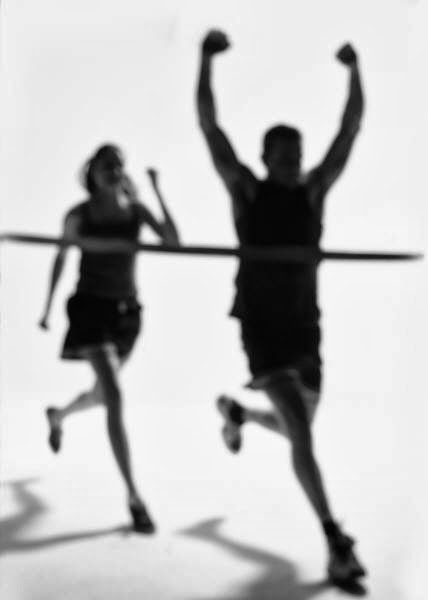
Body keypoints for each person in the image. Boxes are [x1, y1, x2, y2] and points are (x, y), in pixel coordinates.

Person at [197, 30, 366, 586]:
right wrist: (205, 60)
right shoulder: (247, 192)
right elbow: (211, 130)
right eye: (284, 156)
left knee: (299, 430)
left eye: (298, 155)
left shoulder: (313, 192)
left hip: (305, 329)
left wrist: (355, 71)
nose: (294, 163)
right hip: (263, 329)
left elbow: (348, 131)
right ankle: (335, 539)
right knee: (299, 425)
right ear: (266, 158)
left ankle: (240, 414)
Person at [38, 145, 180, 533]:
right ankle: (134, 496)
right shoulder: (79, 214)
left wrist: (157, 190)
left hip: (127, 316)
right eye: (106, 166)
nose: (114, 170)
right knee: (114, 395)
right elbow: (61, 257)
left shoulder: (136, 210)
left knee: (103, 395)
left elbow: (173, 241)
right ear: (92, 172)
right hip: (90, 312)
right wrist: (47, 308)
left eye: (118, 165)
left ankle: (59, 415)